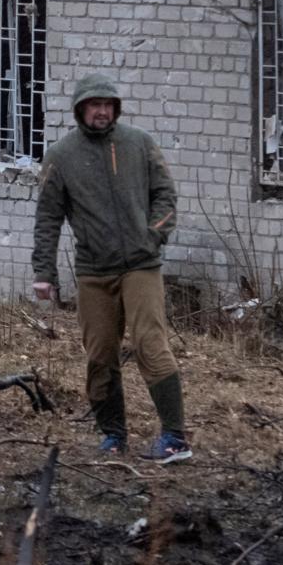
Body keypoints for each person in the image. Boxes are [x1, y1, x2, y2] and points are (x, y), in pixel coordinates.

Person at [32, 74, 189, 464]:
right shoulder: (61, 156)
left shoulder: (139, 143)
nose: (101, 110)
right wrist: (43, 272)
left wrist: (152, 236)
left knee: (150, 344)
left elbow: (166, 195)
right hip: (93, 272)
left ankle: (174, 437)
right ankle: (113, 436)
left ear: (115, 108)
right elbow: (48, 216)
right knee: (100, 354)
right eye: (94, 104)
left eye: (108, 104)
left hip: (141, 265)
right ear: (80, 109)